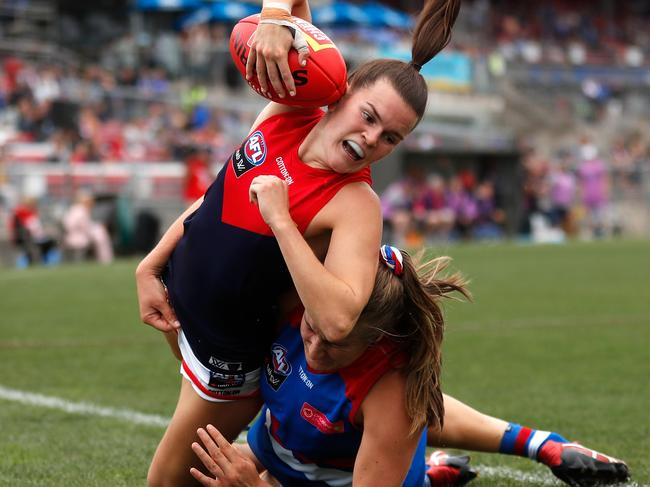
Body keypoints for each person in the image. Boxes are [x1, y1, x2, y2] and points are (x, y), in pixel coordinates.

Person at [136, 0, 462, 485]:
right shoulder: (291, 109)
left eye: (391, 137)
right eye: (368, 116)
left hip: (226, 363)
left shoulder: (356, 203)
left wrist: (282, 221)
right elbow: (218, 196)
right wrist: (152, 264)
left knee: (164, 483)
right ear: (342, 91)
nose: (372, 138)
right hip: (179, 313)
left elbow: (337, 319)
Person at [187, 247, 629, 487]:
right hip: (284, 459)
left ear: (377, 342)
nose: (316, 348)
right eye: (312, 326)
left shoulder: (388, 389)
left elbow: (417, 413)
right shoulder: (295, 301)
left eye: (338, 344)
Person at [62, 190, 114, 264]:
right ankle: (105, 259)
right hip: (78, 237)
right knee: (101, 235)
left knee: (100, 233)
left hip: (74, 236)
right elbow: (85, 227)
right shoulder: (81, 211)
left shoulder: (74, 209)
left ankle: (105, 259)